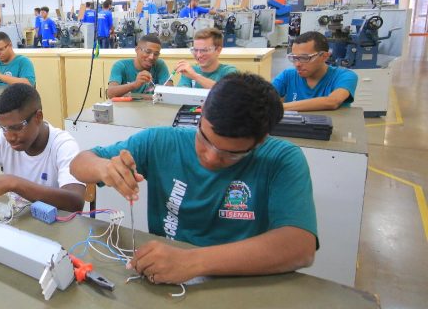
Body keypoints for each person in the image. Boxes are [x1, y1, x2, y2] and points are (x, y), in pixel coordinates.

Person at [70, 73, 317, 285]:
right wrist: (104, 168)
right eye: (204, 139)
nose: (210, 157)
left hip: (243, 282)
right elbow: (79, 163)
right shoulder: (162, 142)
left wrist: (193, 261)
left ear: (260, 141)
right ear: (201, 116)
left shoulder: (282, 159)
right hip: (166, 277)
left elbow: (299, 247)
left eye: (229, 154)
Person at [272, 31, 358, 111]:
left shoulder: (344, 76)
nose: (297, 64)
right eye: (294, 58)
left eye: (304, 58)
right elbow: (264, 97)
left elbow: (333, 101)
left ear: (324, 56)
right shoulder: (288, 75)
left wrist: (280, 107)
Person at [106, 34, 170, 98]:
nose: (151, 57)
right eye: (148, 52)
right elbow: (110, 94)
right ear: (137, 50)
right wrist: (135, 84)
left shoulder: (159, 65)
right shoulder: (121, 65)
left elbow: (170, 92)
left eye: (156, 54)